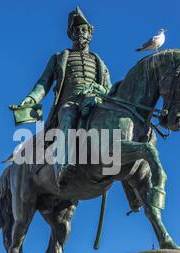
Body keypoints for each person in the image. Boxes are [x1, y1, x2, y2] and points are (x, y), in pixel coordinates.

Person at [19, 6, 112, 188]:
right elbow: (43, 83)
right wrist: (31, 99)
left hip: (94, 102)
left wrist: (100, 90)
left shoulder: (99, 62)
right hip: (69, 103)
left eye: (84, 29)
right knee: (68, 117)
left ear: (90, 34)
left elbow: (109, 89)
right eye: (76, 30)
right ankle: (64, 166)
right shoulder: (60, 57)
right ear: (71, 34)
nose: (80, 33)